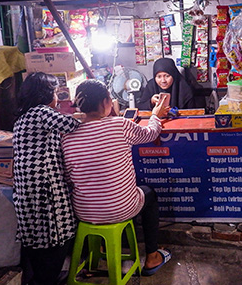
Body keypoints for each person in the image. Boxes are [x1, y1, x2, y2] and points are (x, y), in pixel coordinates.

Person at [62, 80, 171, 277]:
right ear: (106, 102)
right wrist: (155, 115)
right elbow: (151, 133)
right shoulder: (119, 125)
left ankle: (93, 256)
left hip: (84, 212)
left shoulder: (67, 135)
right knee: (150, 194)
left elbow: (69, 177)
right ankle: (153, 256)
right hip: (121, 208)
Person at [12, 72, 80, 285]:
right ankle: (46, 280)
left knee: (36, 239)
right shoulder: (42, 112)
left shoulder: (22, 118)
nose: (57, 97)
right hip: (45, 188)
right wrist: (92, 114)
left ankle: (41, 278)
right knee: (58, 237)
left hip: (26, 190)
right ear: (45, 94)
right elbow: (71, 125)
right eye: (54, 92)